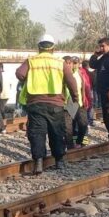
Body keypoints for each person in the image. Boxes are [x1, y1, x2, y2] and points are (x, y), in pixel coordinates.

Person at [15, 34, 78, 174]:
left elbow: (19, 74)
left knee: (37, 133)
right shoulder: (59, 62)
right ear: (53, 48)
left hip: (36, 104)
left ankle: (38, 163)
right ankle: (59, 161)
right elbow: (71, 81)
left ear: (39, 47)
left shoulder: (31, 61)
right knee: (57, 133)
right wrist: (75, 98)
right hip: (56, 104)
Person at [89, 37, 109, 141]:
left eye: (103, 46)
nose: (101, 48)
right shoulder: (103, 58)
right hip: (103, 91)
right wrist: (95, 55)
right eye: (100, 46)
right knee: (106, 115)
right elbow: (92, 65)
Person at [62, 56, 89, 148]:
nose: (70, 65)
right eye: (67, 63)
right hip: (67, 104)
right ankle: (70, 147)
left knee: (83, 124)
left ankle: (79, 142)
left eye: (71, 63)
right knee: (68, 128)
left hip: (79, 103)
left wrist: (87, 99)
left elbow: (86, 87)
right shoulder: (61, 74)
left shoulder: (79, 73)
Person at [79, 60, 95, 127]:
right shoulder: (87, 72)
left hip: (84, 89)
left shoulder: (80, 71)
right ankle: (89, 121)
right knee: (90, 105)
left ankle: (87, 121)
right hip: (88, 89)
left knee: (86, 105)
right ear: (88, 65)